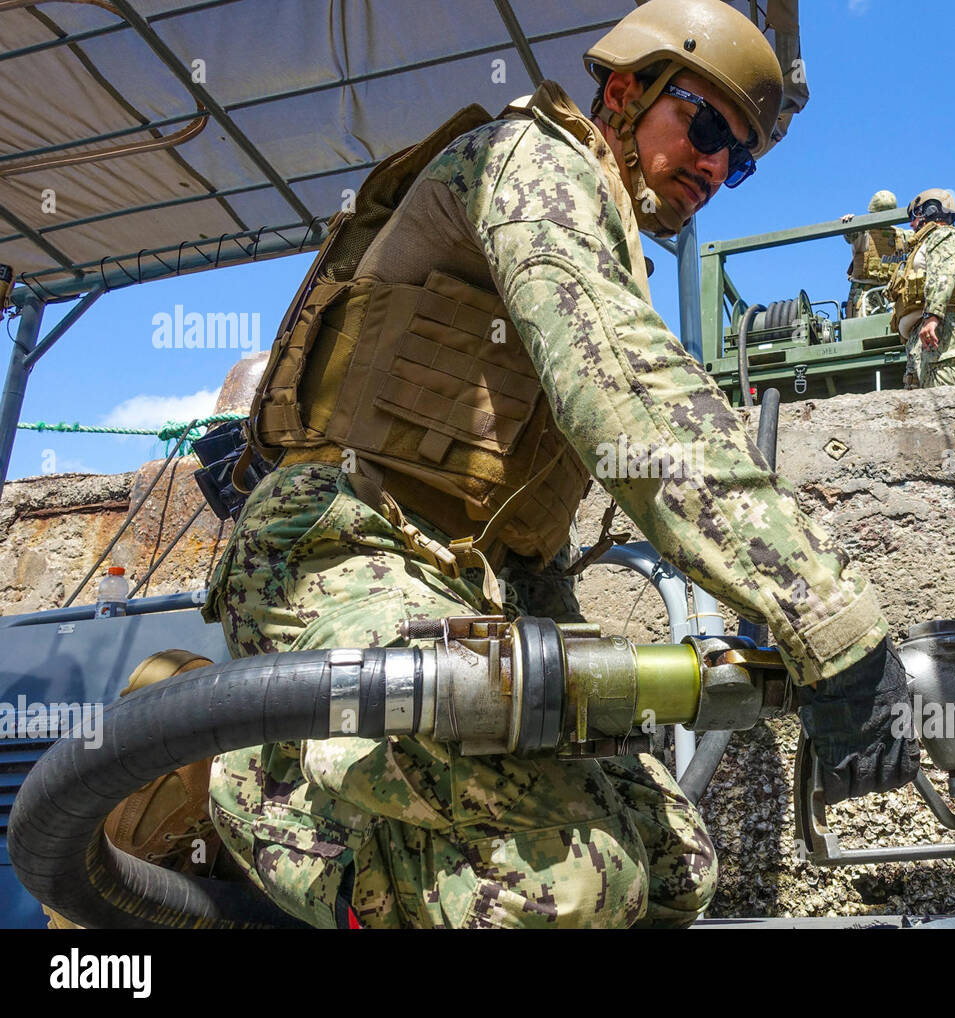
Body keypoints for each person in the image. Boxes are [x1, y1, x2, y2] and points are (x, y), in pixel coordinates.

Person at [201, 0, 918, 930]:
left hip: (480, 586)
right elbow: (627, 388)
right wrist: (830, 620)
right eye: (703, 125)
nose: (715, 165)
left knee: (673, 869)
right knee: (562, 890)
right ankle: (262, 770)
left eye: (737, 160)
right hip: (343, 544)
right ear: (625, 90)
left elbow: (539, 516)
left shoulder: (609, 237)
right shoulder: (533, 165)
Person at [886, 188, 955, 388]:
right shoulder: (923, 245)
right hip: (923, 334)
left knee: (944, 398)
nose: (912, 224)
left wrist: (933, 317)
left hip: (941, 328)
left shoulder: (944, 235)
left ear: (931, 210)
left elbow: (944, 274)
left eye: (915, 216)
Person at [840, 189, 910, 318]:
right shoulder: (864, 233)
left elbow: (922, 238)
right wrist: (849, 223)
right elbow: (850, 235)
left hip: (891, 293)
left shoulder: (901, 235)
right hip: (865, 293)